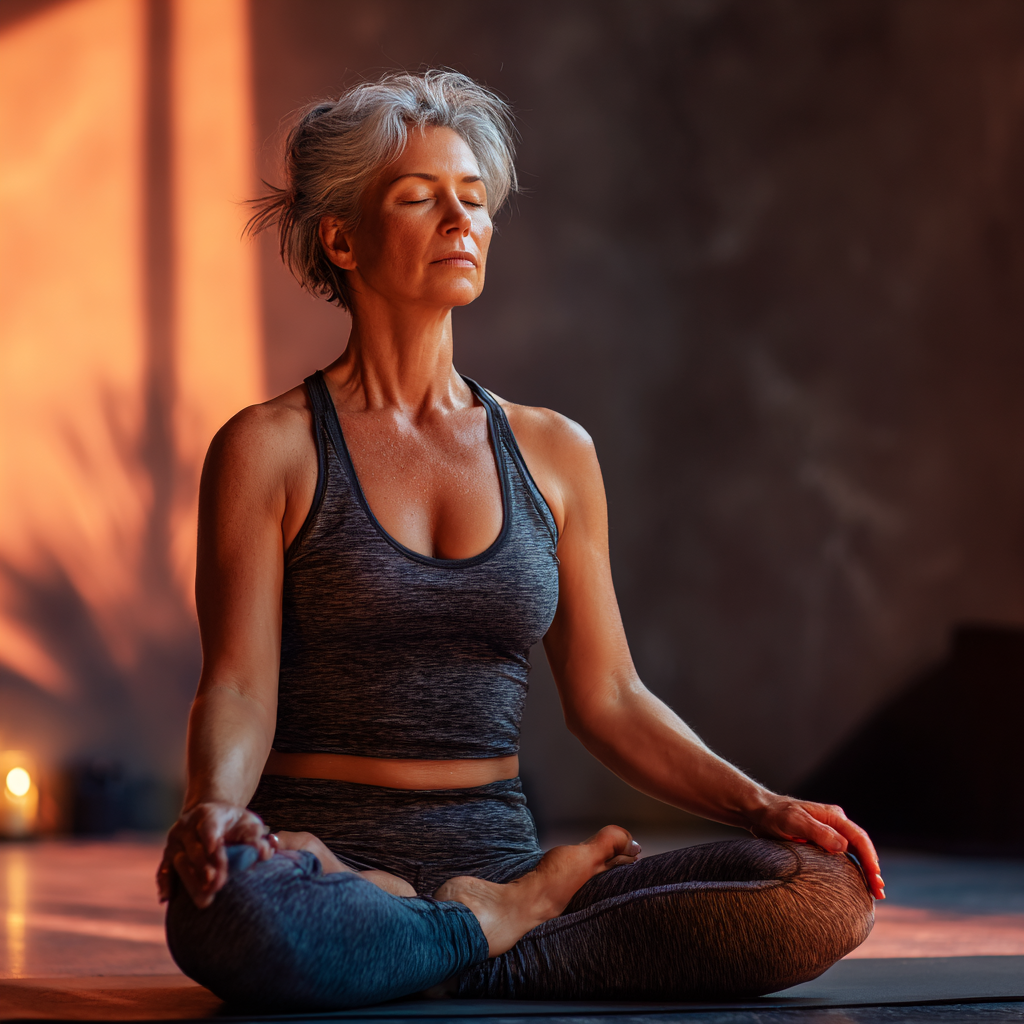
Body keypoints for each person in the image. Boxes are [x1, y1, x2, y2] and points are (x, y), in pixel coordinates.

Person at [159, 70, 882, 1010]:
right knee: (229, 912)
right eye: (420, 199)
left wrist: (766, 805)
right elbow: (240, 686)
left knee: (819, 891)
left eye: (475, 199)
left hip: (494, 852)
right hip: (323, 866)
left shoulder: (553, 452)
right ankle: (499, 929)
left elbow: (611, 699)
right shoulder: (270, 447)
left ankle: (452, 934)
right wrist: (213, 813)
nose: (461, 220)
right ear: (341, 238)